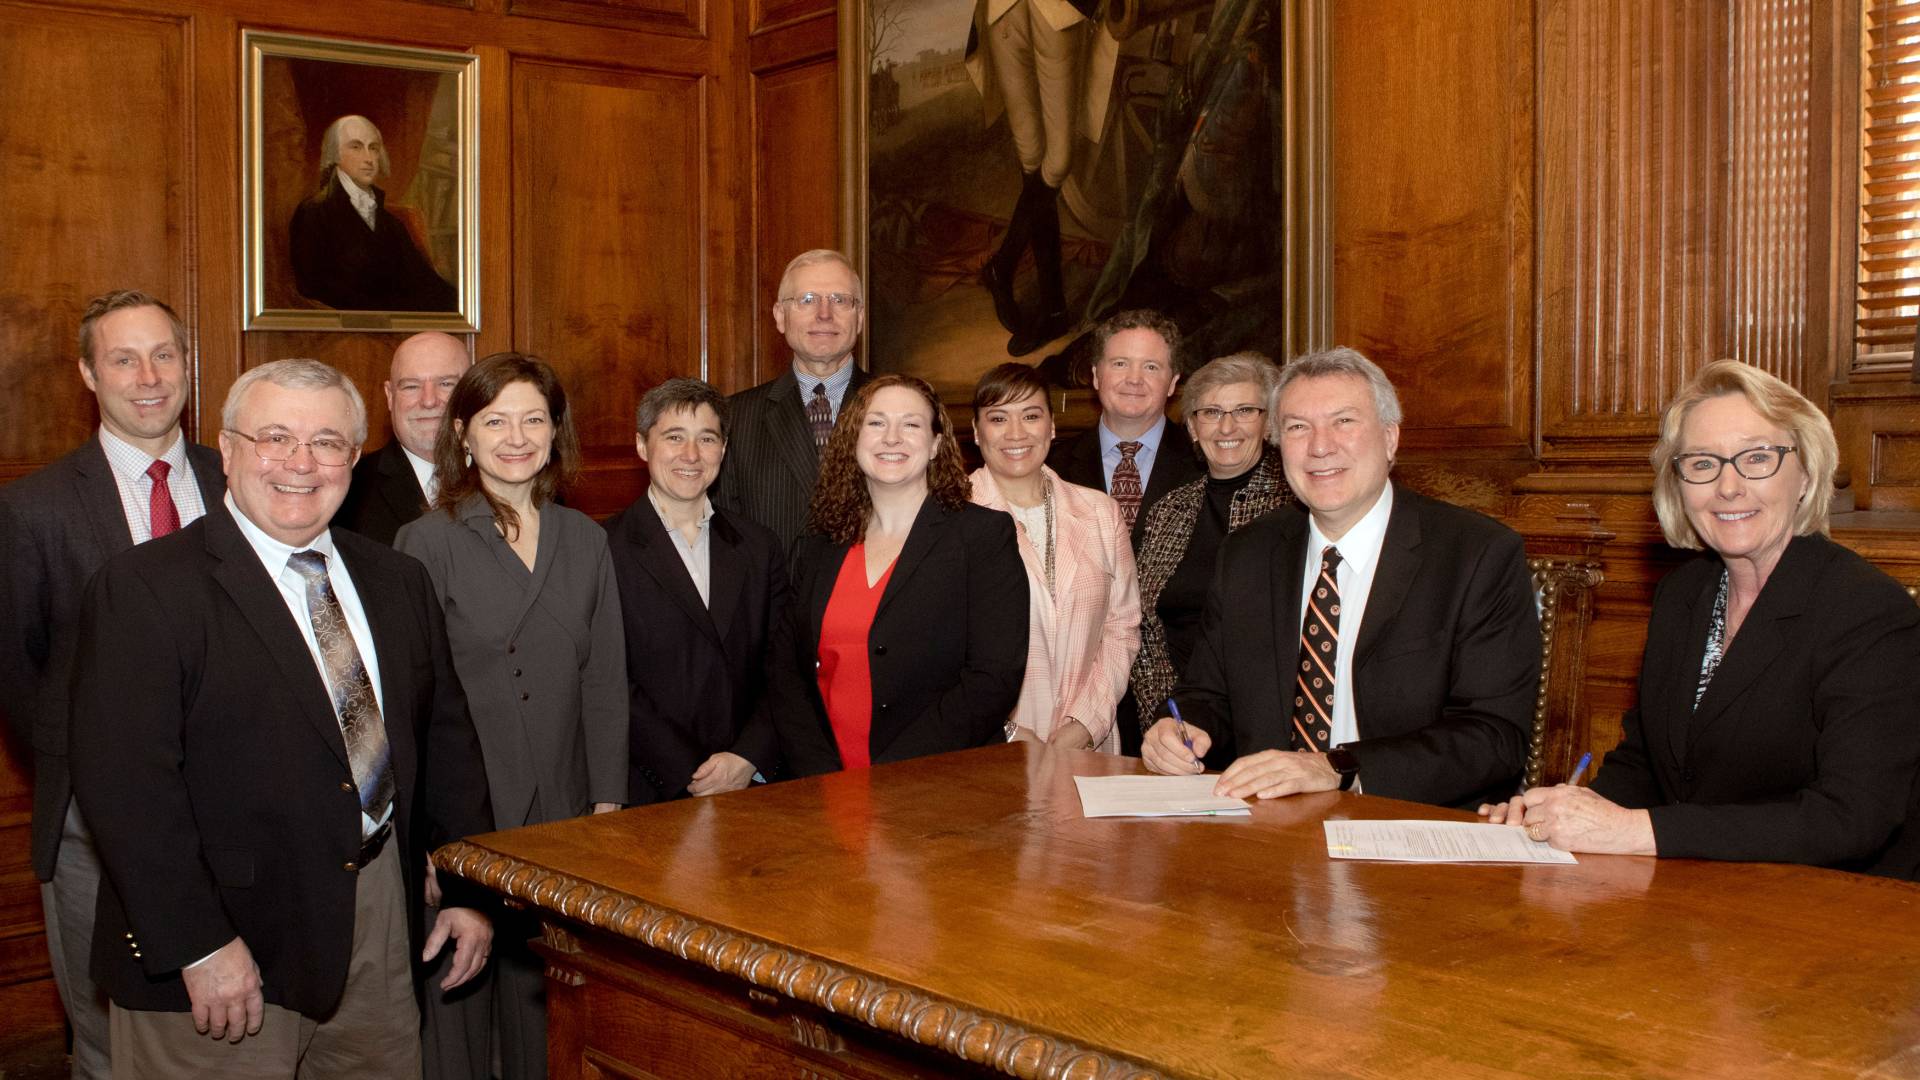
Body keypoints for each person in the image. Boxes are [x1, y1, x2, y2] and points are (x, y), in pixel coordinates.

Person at [68, 358, 494, 1075]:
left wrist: (465, 886)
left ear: (353, 460)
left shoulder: (397, 580)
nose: (301, 462)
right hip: (226, 945)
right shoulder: (144, 588)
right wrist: (200, 946)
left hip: (378, 926)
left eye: (327, 441)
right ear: (227, 452)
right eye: (274, 437)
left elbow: (447, 739)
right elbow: (127, 792)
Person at [1483, 360, 1920, 876]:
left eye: (1757, 458)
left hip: (1834, 909)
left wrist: (1634, 831)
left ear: (1805, 474)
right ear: (1679, 484)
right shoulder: (1683, 593)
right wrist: (1555, 818)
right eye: (1703, 463)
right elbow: (1645, 764)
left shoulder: (1870, 613)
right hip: (1697, 888)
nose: (1728, 487)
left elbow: (1851, 819)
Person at [1142, 347, 1539, 810]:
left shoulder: (1476, 555)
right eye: (1296, 427)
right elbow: (1207, 694)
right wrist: (1179, 728)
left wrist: (1338, 768)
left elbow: (1493, 737)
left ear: (1390, 438)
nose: (1319, 446)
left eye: (1344, 422)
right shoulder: (1247, 554)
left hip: (1411, 826)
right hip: (1268, 827)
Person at [0, 290, 224, 1080]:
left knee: (232, 1032)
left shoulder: (241, 481)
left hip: (235, 817)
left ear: (189, 365)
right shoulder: (33, 509)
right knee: (110, 1046)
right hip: (94, 832)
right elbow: (21, 676)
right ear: (90, 375)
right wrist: (101, 765)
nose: (149, 376)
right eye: (123, 359)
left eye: (165, 354)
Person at [395, 352, 626, 1080]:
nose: (516, 437)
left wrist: (607, 803)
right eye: (497, 420)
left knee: (547, 1013)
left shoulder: (586, 539)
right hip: (469, 817)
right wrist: (431, 840)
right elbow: (414, 702)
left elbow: (606, 679)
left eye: (534, 419)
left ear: (556, 433)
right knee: (458, 1014)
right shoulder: (426, 542)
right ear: (464, 433)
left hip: (563, 817)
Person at [768, 375, 1029, 776]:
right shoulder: (822, 543)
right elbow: (787, 669)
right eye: (876, 423)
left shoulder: (982, 536)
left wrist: (891, 776)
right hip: (823, 783)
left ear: (936, 444)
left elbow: (993, 678)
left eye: (910, 424)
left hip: (936, 785)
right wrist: (817, 770)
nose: (892, 437)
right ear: (854, 439)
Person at [606, 378, 789, 802]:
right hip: (651, 788)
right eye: (674, 437)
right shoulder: (604, 548)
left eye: (706, 438)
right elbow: (609, 679)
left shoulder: (759, 546)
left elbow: (784, 666)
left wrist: (748, 756)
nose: (691, 455)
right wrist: (689, 770)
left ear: (723, 450)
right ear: (641, 445)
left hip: (749, 784)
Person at [969, 362, 1139, 751]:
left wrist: (1085, 723)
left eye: (1031, 415)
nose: (1016, 433)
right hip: (989, 747)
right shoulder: (948, 516)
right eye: (998, 418)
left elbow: (1122, 627)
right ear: (977, 433)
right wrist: (1007, 730)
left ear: (1052, 426)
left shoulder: (1100, 512)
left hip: (1088, 748)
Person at [1129, 352, 1292, 733]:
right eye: (1212, 412)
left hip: (1270, 724)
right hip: (1178, 722)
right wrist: (1166, 717)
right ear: (1191, 427)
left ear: (1269, 423)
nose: (1227, 427)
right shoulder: (1168, 510)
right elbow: (1145, 628)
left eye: (1245, 410)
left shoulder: (1295, 508)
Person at [965, 0, 1119, 355]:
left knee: (1059, 159)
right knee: (1031, 158)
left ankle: (1002, 266)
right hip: (1000, 12)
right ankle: (1054, 310)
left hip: (1058, 8)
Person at [715, 249, 875, 549]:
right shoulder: (734, 417)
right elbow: (726, 543)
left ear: (860, 317)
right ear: (780, 316)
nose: (824, 314)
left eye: (840, 300)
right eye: (808, 300)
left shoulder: (903, 410)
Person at [1046, 309, 1203, 550]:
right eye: (1120, 364)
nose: (1134, 379)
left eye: (1151, 367)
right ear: (1096, 376)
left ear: (1172, 382)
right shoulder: (1053, 467)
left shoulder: (1203, 464)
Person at [289, 114, 459, 312]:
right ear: (334, 154)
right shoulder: (313, 213)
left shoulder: (393, 223)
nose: (369, 158)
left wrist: (464, 307)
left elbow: (425, 280)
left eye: (374, 148)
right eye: (356, 146)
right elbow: (314, 288)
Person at [337, 331, 471, 545]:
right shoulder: (347, 489)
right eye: (411, 386)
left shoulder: (508, 478)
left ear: (474, 392)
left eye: (446, 384)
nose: (428, 401)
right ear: (390, 396)